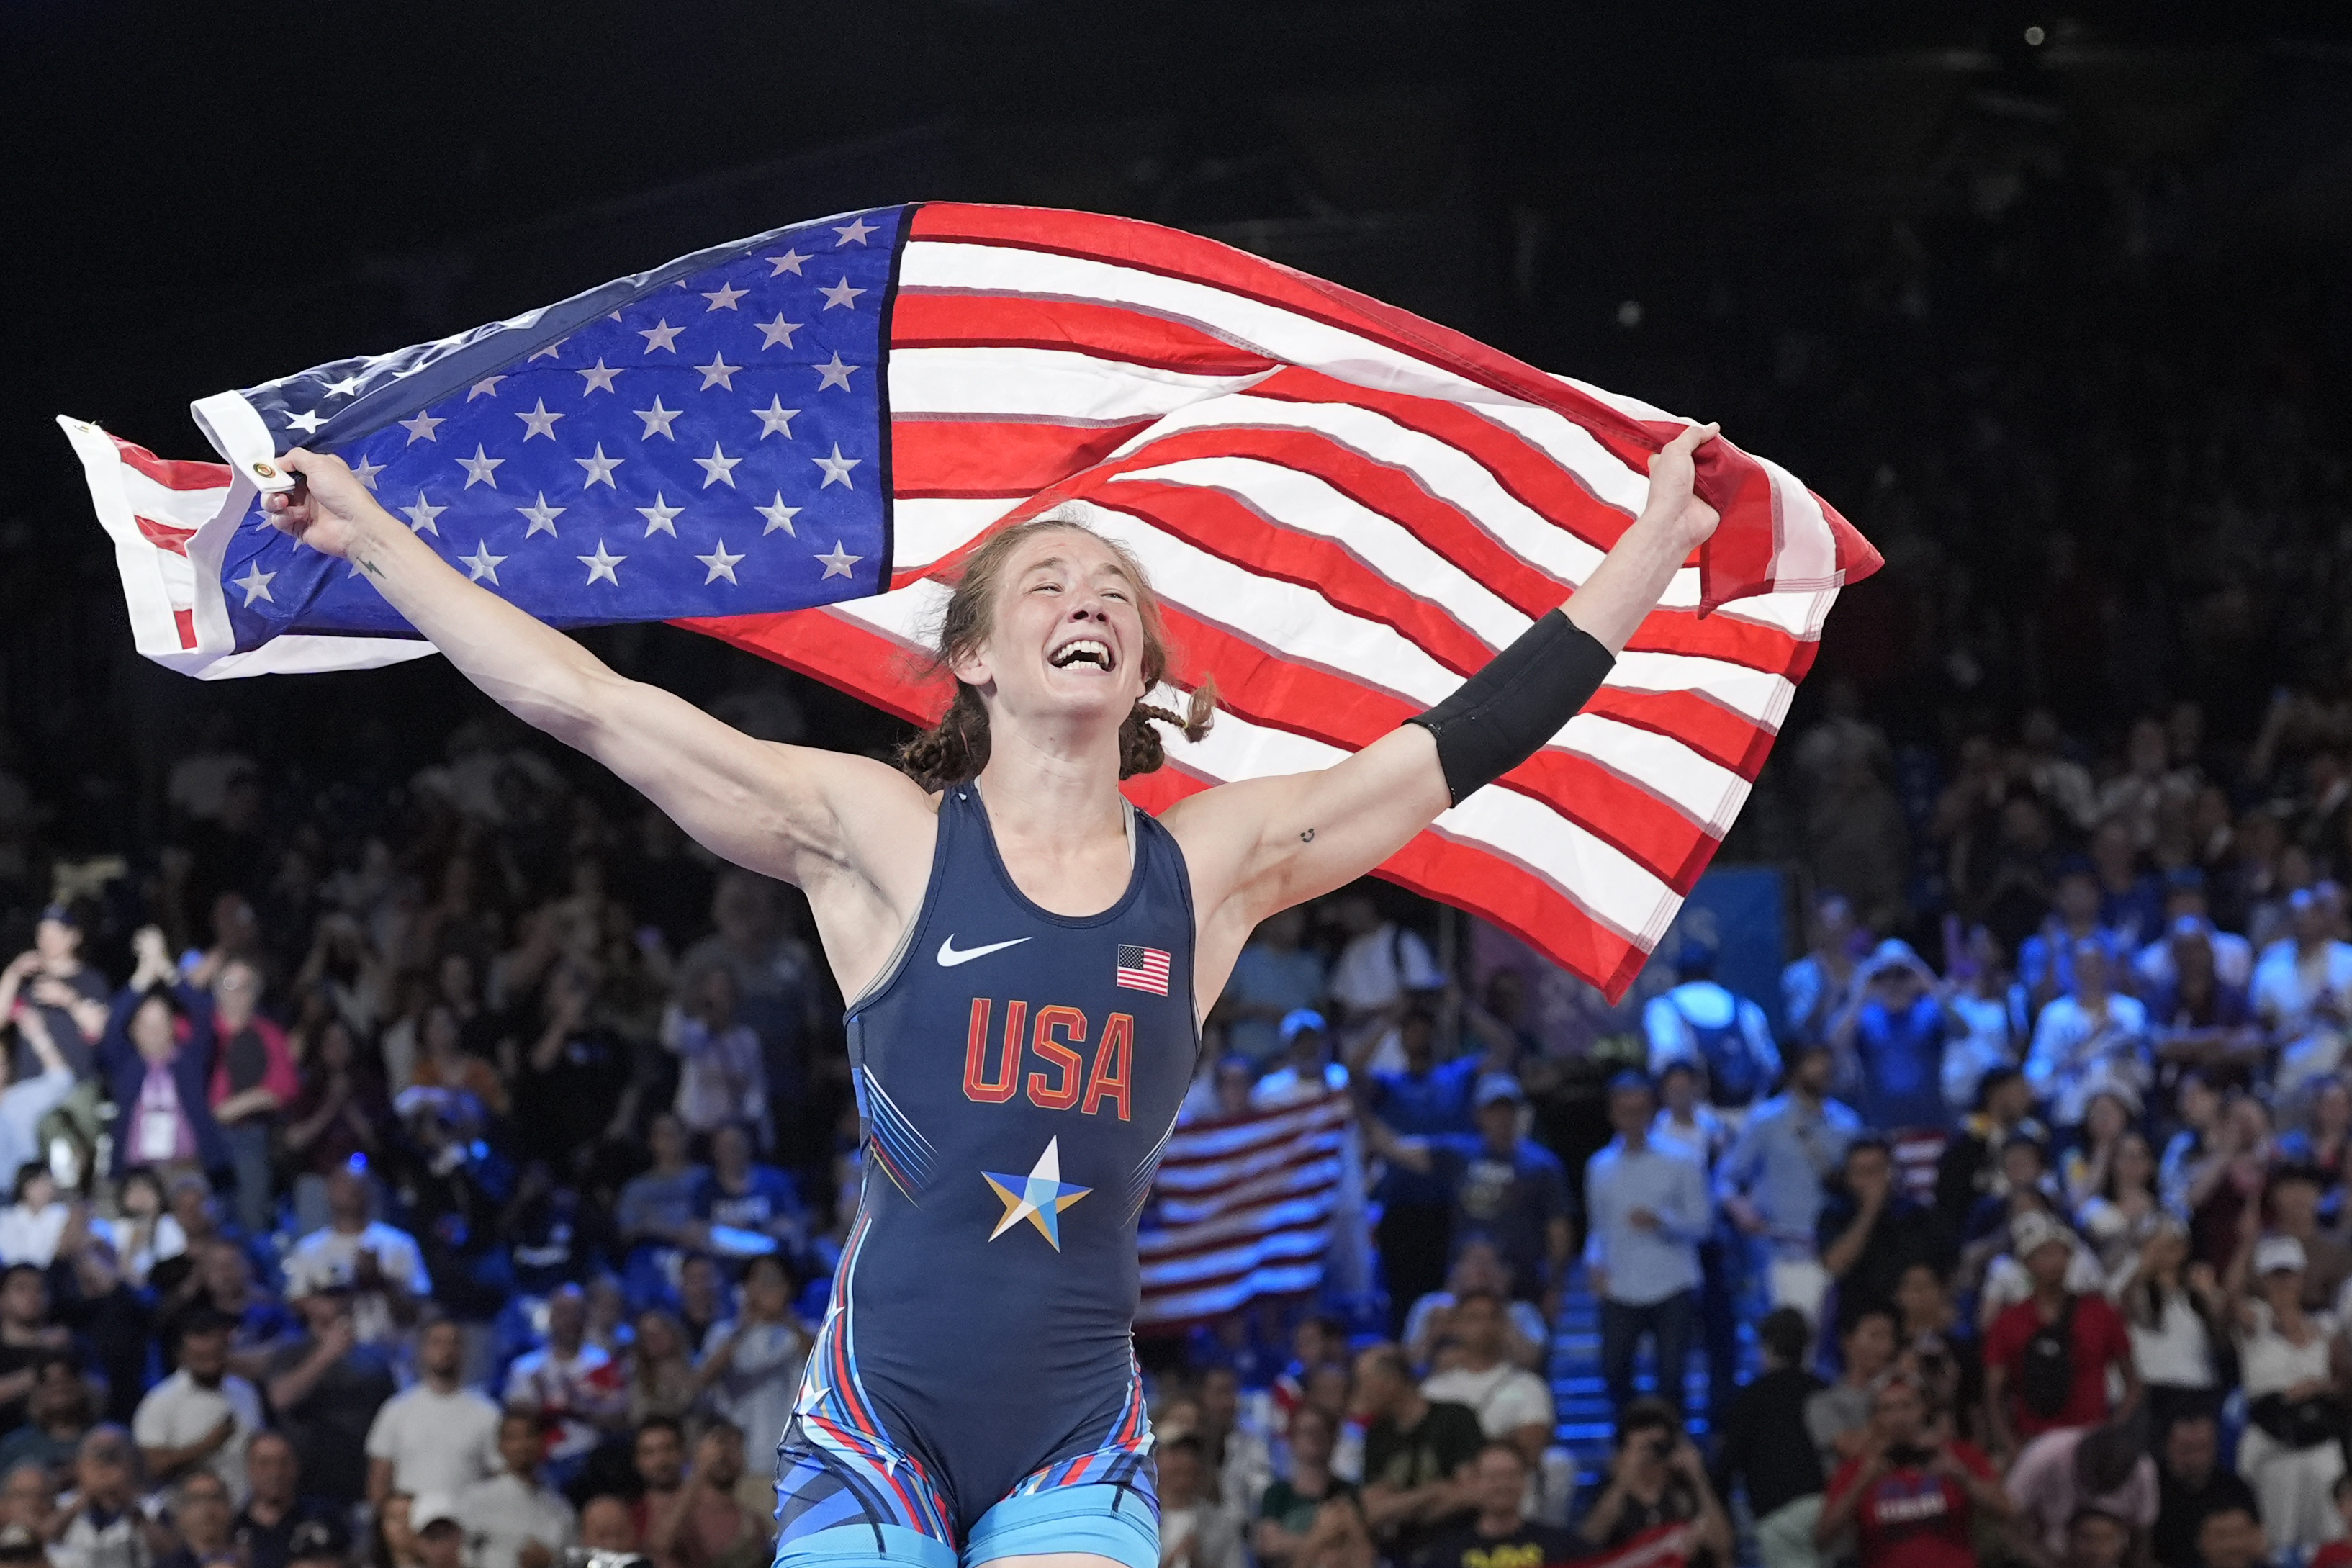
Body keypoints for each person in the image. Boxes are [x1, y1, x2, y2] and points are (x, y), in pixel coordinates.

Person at [267, 402, 1720, 1568]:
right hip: (870, 1423)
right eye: (1049, 582)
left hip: (1073, 1432)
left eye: (1113, 595)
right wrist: (372, 539)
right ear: (973, 655)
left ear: (1144, 665)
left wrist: (1654, 541)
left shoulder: (1209, 864)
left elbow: (1457, 745)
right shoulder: (881, 836)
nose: (1087, 599)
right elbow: (589, 704)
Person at [1365, 1073, 1575, 1316]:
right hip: (1467, 1282)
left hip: (1523, 1283)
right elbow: (1395, 1148)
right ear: (1479, 1115)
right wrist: (1355, 1104)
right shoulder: (1459, 1154)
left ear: (1519, 1114)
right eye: (1494, 1110)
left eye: (1508, 1110)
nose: (1502, 1118)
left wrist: (1556, 1286)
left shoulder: (1543, 1166)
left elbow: (1559, 1230)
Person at [1570, 1071, 1708, 1420]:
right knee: (1614, 1370)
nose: (1632, 1118)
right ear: (1613, 1114)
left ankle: (1673, 1445)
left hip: (1672, 1282)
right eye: (1624, 1111)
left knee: (1672, 1376)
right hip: (1620, 1284)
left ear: (1651, 1111)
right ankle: (1629, 1440)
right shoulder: (1599, 1165)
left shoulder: (1681, 1159)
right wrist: (1594, 1263)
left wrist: (1663, 1221)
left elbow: (1703, 1225)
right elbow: (1598, 1227)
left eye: (1640, 1110)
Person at [1716, 1039, 1860, 1322]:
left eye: (1825, 1061)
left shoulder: (1848, 1124)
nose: (1823, 1069)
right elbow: (1725, 1179)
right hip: (1783, 1254)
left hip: (1838, 1253)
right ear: (1794, 1069)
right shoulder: (1765, 1121)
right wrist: (1741, 1210)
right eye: (1814, 1061)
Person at [1983, 1213, 2141, 1466]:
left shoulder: (2100, 1312)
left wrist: (2114, 1431)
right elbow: (1994, 1394)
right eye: (2043, 1254)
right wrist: (2012, 1449)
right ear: (2027, 1263)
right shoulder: (2007, 1322)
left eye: (2060, 1253)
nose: (2053, 1262)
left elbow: (2132, 1381)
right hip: (2034, 1442)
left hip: (2092, 1442)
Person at [1814, 1374, 2012, 1568]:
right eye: (1888, 1409)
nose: (1899, 1418)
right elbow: (1822, 1538)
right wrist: (1862, 1483)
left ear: (1922, 1409)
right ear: (1876, 1417)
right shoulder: (1857, 1468)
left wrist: (1961, 1477)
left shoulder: (1958, 1455)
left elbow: (2009, 1512)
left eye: (1906, 1406)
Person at [2231, 1233, 2349, 1552]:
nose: (2282, 1283)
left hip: (2318, 1443)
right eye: (2274, 1276)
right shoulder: (2255, 1322)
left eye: (2289, 1274)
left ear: (2301, 1276)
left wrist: (2318, 1386)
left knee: (2331, 1539)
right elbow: (2228, 1298)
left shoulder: (2325, 1326)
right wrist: (2244, 1245)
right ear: (2262, 1279)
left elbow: (2344, 1381)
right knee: (2274, 1541)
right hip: (2271, 1445)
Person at [1415, 1290, 1566, 1521]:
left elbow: (1530, 1448)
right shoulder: (1433, 1390)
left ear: (1503, 1324)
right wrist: (1502, 1437)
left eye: (1492, 1317)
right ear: (1456, 1325)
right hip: (1451, 1503)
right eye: (1474, 1318)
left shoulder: (1527, 1386)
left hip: (1510, 1495)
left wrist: (1461, 1454)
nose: (1484, 1325)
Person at [1711, 1307, 1827, 1568]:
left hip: (1778, 1515)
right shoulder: (1823, 1390)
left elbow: (1726, 1468)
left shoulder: (1750, 1399)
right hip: (1830, 1511)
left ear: (1768, 1347)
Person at [264, 1282, 397, 1508]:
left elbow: (391, 1421)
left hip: (359, 1484)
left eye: (342, 1296)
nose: (336, 1304)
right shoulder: (290, 1352)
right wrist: (326, 1354)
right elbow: (280, 1398)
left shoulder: (374, 1359)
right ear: (308, 1303)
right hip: (305, 1486)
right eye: (326, 1297)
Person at [1352, 1344, 1482, 1562]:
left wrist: (1399, 1505)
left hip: (1457, 1548)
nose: (1359, 1393)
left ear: (1391, 1381)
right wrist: (1434, 1492)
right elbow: (1374, 1511)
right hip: (1397, 1554)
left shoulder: (1455, 1418)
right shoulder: (1376, 1435)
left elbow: (1469, 1493)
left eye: (1363, 1383)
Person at [279, 1166, 430, 1348]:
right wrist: (328, 1305)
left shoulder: (399, 1243)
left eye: (358, 1183)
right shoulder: (309, 1248)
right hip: (335, 1355)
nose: (352, 1189)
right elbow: (296, 1298)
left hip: (392, 1351)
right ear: (329, 1192)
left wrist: (380, 1281)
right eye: (343, 1183)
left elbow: (421, 1303)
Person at [1573, 1398, 1733, 1568]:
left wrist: (1698, 1477)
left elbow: (1724, 1548)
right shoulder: (1610, 1490)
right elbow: (1589, 1541)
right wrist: (1622, 1481)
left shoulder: (1687, 1489)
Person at [1819, 1135, 1956, 1332]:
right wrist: (1869, 1211)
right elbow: (1836, 1264)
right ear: (1848, 1177)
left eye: (1876, 1171)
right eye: (1862, 1172)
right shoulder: (1835, 1215)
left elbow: (1947, 1265)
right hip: (1861, 1320)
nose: (1871, 1180)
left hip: (1915, 1322)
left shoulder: (1917, 1215)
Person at [364, 1316, 502, 1509]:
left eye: (453, 1342)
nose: (446, 1350)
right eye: (437, 1342)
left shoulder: (488, 1414)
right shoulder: (397, 1410)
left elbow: (498, 1478)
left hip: (466, 1526)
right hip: (409, 1527)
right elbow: (379, 1480)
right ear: (422, 1350)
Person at [1831, 940, 1965, 1133]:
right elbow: (1834, 1046)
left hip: (1930, 1120)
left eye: (1902, 975)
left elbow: (1963, 1031)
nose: (1893, 982)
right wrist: (1859, 993)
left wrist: (1931, 985)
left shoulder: (1929, 1011)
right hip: (1880, 1123)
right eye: (1885, 976)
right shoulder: (1867, 1017)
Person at [130, 1312, 261, 1503]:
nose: (210, 1364)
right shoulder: (160, 1401)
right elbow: (149, 1467)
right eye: (201, 1357)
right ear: (182, 1356)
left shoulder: (245, 1392)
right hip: (184, 1515)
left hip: (241, 1508)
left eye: (216, 1354)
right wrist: (206, 1445)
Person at [1643, 938, 1779, 1119]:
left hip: (1698, 1120)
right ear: (1713, 972)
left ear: (1677, 974)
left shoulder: (1664, 1007)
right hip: (1753, 1117)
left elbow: (1664, 1060)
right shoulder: (1746, 1007)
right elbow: (1772, 1066)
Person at [692, 1255, 806, 1466]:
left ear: (788, 1287)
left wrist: (784, 1317)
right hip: (739, 1459)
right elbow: (700, 1382)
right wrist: (745, 1325)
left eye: (773, 1281)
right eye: (759, 1280)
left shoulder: (806, 1332)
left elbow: (824, 1366)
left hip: (794, 1460)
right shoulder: (723, 1333)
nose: (765, 1288)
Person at [2004, 1419, 2160, 1568]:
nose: (2096, 1494)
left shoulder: (2144, 1470)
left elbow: (2142, 1532)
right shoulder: (2044, 1455)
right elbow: (2005, 1518)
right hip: (2043, 1554)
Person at [1414, 1443, 1577, 1568]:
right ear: (1476, 1482)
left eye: (1511, 1475)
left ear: (1524, 1481)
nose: (1502, 1485)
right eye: (1493, 1477)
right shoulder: (1446, 1556)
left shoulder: (1565, 1548)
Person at [456, 1410, 577, 1568]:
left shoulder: (561, 1510)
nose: (522, 1445)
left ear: (542, 1442)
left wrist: (549, 1562)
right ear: (500, 1446)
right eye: (513, 1438)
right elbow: (460, 1557)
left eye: (530, 1436)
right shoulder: (474, 1501)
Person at [51, 1426, 173, 1568]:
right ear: (79, 1466)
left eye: (112, 1460)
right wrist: (84, 1498)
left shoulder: (152, 1505)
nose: (104, 1470)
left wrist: (128, 1504)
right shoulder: (63, 1505)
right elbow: (42, 1543)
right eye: (97, 1460)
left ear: (131, 1464)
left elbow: (169, 1551)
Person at [2151, 1412, 2258, 1568]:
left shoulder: (2236, 1488)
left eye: (2203, 1448)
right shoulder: (2153, 1488)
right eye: (2187, 1449)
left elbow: (2256, 1540)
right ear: (2168, 1446)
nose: (2196, 1459)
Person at [1251, 1406, 1352, 1568]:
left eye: (1320, 1431)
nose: (1314, 1438)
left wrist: (1291, 1543)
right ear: (1293, 1439)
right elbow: (1271, 1546)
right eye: (1307, 1431)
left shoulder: (1349, 1493)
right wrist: (1323, 1541)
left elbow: (1354, 1552)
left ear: (1333, 1438)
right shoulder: (1276, 1494)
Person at [232, 1432, 338, 1568]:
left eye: (283, 1462)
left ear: (296, 1467)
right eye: (264, 1463)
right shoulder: (231, 1529)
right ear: (249, 1468)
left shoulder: (323, 1521)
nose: (275, 1473)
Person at [1152, 1436, 1243, 1568]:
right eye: (1175, 1453)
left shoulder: (1220, 1524)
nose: (1185, 1462)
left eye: (1191, 1454)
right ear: (1156, 1459)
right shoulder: (1134, 1518)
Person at [155, 1471, 238, 1568]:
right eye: (197, 1500)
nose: (207, 1509)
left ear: (229, 1506)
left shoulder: (252, 1557)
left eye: (215, 1498)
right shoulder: (166, 1566)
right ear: (181, 1512)